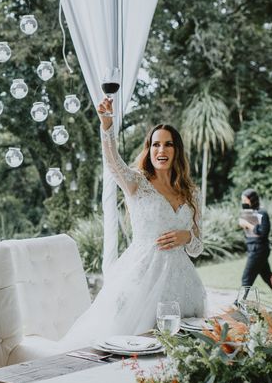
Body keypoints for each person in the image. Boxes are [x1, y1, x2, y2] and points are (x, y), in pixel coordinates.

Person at [59, 97, 206, 349]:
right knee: (133, 347)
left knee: (181, 351)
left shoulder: (192, 193)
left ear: (176, 150)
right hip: (142, 278)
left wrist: (187, 237)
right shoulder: (137, 182)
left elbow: (197, 248)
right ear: (148, 150)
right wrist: (107, 126)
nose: (162, 150)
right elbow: (113, 163)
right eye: (156, 144)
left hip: (183, 284)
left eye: (168, 145)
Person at [239, 188, 272, 292]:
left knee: (246, 279)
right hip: (253, 248)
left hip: (259, 250)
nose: (243, 203)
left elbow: (263, 232)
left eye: (245, 200)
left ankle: (238, 304)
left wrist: (247, 225)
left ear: (252, 199)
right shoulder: (249, 213)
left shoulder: (262, 213)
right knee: (268, 278)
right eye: (242, 201)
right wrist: (243, 224)